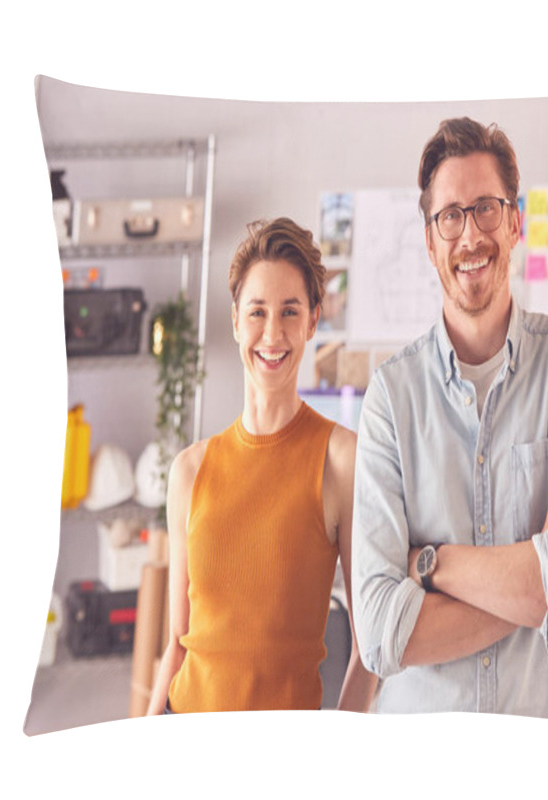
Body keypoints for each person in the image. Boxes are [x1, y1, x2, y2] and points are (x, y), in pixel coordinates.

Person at [351, 117, 548, 720]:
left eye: (486, 209)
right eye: (450, 215)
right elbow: (382, 635)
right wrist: (532, 575)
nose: (470, 235)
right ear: (428, 239)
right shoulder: (391, 397)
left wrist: (430, 564)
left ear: (515, 220)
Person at [147, 217, 378, 714]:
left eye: (289, 312)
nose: (272, 334)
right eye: (257, 312)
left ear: (313, 321)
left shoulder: (342, 460)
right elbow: (176, 644)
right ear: (235, 321)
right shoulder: (189, 471)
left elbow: (370, 651)